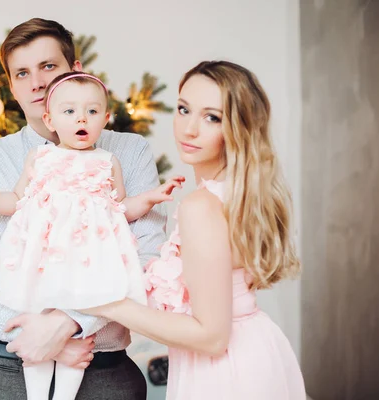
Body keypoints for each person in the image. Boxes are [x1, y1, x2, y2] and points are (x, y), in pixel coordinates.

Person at [0, 18, 167, 400]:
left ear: (75, 70)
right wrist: (29, 331)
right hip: (7, 364)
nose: (36, 82)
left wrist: (70, 324)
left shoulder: (127, 153)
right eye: (22, 73)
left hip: (101, 366)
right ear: (11, 86)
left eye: (48, 67)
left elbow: (147, 258)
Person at [81, 60, 306, 399]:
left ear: (238, 128)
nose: (189, 129)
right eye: (184, 109)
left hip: (225, 370)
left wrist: (107, 304)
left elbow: (211, 337)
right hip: (255, 349)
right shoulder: (238, 194)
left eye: (211, 117)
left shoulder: (201, 207)